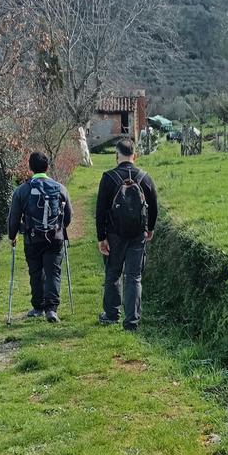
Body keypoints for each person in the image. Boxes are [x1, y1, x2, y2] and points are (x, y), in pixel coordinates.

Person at [96, 135, 157, 331]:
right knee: (133, 276)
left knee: (113, 273)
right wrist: (151, 229)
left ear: (117, 156)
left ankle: (111, 314)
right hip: (138, 234)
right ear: (135, 156)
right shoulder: (145, 178)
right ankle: (132, 321)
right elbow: (154, 206)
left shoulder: (108, 177)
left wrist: (101, 237)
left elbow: (100, 210)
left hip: (114, 235)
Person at [7, 151, 72, 323]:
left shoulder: (22, 190)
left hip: (32, 238)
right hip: (55, 237)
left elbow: (14, 217)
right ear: (47, 167)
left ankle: (38, 307)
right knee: (53, 272)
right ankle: (52, 310)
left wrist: (12, 235)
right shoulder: (60, 188)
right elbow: (68, 216)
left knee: (36, 272)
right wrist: (60, 228)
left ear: (30, 167)